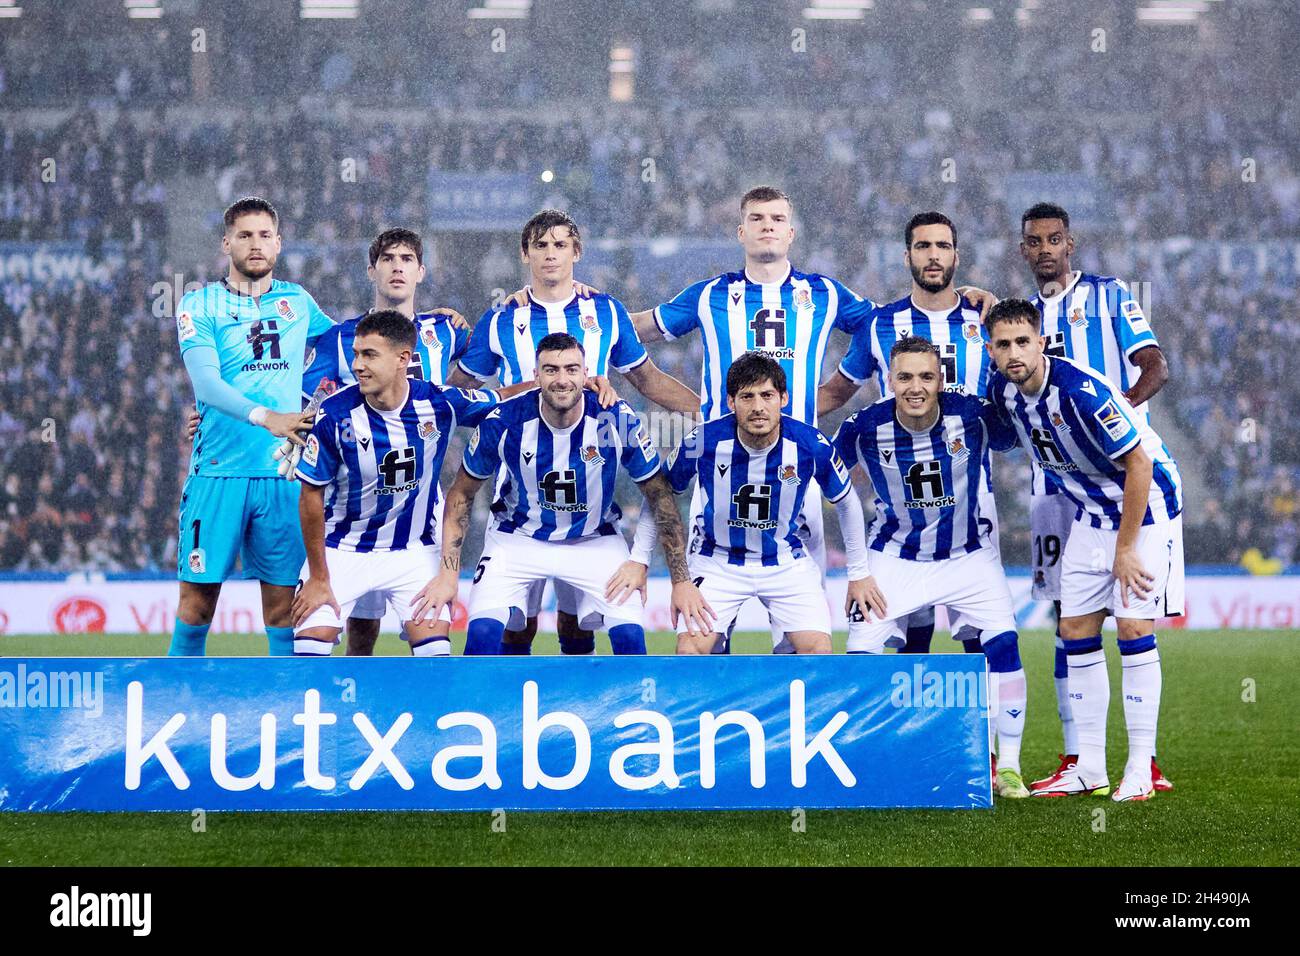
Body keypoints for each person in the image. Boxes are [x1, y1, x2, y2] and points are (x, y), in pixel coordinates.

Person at [447, 209, 700, 655]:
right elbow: (455, 394)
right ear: (525, 254)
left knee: (579, 625)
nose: (550, 255)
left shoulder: (605, 310)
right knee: (516, 628)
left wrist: (708, 413)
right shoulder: (501, 318)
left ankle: (578, 717)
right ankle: (510, 716)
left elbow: (648, 379)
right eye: (540, 245)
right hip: (521, 493)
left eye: (560, 245)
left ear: (576, 252)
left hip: (592, 484)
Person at [985, 300, 1184, 801]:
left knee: (1134, 627)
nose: (1014, 353)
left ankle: (1139, 768)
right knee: (1075, 628)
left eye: (1023, 342)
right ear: (991, 350)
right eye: (1003, 344)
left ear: (1042, 342)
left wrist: (1125, 550)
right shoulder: (1002, 391)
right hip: (1088, 514)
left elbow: (1139, 466)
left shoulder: (1080, 391)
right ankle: (1090, 767)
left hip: (1147, 507)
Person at [416, 333, 713, 652]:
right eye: (551, 370)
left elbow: (659, 494)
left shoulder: (614, 418)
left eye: (572, 369)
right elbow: (460, 495)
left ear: (586, 375)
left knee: (629, 638)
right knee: (482, 637)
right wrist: (448, 574)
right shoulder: (504, 422)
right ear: (535, 376)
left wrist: (645, 563)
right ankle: (488, 704)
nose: (562, 379)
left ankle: (617, 704)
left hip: (593, 539)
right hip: (518, 538)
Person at [1018, 202, 1173, 792]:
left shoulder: (1109, 297)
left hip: (1125, 479)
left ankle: (1145, 762)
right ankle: (1079, 758)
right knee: (1069, 618)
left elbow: (1155, 365)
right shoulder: (1022, 317)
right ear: (1023, 250)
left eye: (1054, 239)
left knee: (1135, 620)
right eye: (1034, 242)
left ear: (1071, 243)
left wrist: (1117, 420)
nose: (1045, 250)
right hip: (1057, 486)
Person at [831, 336, 1029, 798]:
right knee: (861, 656)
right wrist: (856, 570)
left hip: (968, 554)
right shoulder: (865, 426)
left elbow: (1015, 430)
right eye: (904, 377)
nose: (915, 387)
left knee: (1003, 646)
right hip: (894, 555)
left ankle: (1010, 767)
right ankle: (864, 759)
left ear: (941, 379)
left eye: (925, 377)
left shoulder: (972, 414)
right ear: (889, 381)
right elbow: (824, 476)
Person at [290, 310, 528, 655]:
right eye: (356, 354)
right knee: (310, 647)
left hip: (413, 550)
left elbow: (503, 398)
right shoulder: (334, 414)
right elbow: (310, 496)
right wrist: (318, 578)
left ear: (403, 359)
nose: (357, 365)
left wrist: (576, 382)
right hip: (342, 548)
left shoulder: (438, 402)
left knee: (435, 654)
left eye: (369, 355)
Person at [819, 210, 993, 657]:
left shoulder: (987, 318)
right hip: (901, 494)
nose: (933, 256)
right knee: (911, 631)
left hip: (973, 495)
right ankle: (913, 723)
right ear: (906, 256)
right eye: (923, 246)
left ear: (957, 255)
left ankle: (980, 726)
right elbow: (838, 392)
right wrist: (775, 409)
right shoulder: (880, 325)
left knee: (980, 635)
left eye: (942, 246)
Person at [169, 197, 334, 657]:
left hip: (282, 477)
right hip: (218, 472)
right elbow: (206, 381)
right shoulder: (199, 303)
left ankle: (285, 719)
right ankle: (176, 713)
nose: (255, 244)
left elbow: (351, 349)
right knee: (197, 605)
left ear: (279, 244)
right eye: (245, 235)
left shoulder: (297, 302)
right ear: (227, 243)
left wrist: (414, 311)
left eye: (265, 235)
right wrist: (268, 417)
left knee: (284, 611)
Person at [301, 227, 469, 657]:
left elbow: (489, 374)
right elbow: (304, 404)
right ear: (371, 271)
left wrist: (521, 297)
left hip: (417, 505)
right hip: (353, 498)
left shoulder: (445, 331)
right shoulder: (341, 338)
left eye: (406, 259)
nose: (397, 266)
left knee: (424, 635)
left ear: (421, 271)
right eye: (388, 259)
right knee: (360, 628)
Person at [658, 352, 874, 655]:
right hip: (717, 559)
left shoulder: (811, 445)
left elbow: (847, 502)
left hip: (784, 560)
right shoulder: (703, 441)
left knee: (819, 653)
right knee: (689, 651)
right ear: (731, 402)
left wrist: (860, 573)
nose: (758, 407)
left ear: (783, 398)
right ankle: (715, 703)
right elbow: (659, 496)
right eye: (747, 397)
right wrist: (678, 579)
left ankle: (791, 701)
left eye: (767, 395)